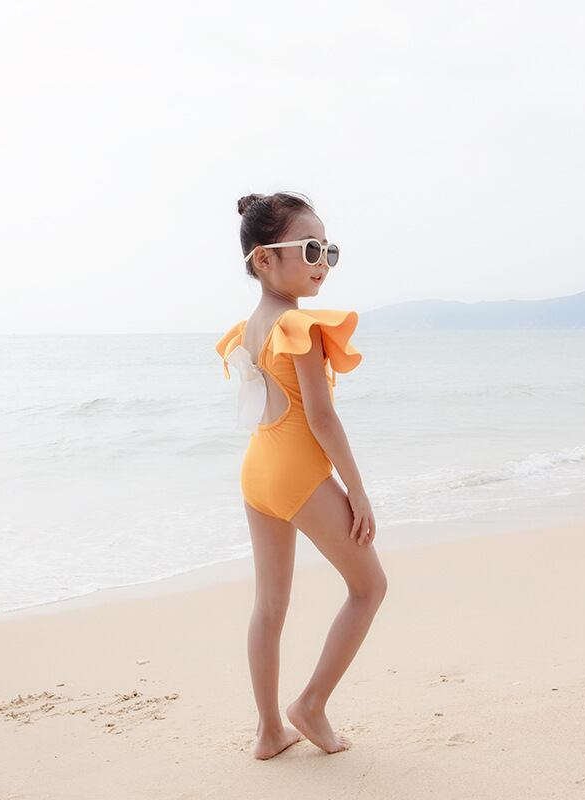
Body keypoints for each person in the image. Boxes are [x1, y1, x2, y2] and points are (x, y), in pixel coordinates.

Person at [215, 191, 387, 760]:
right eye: (311, 249)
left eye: (329, 251)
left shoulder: (249, 328)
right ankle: (310, 705)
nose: (323, 262)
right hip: (295, 474)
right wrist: (357, 490)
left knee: (269, 606)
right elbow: (322, 418)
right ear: (265, 259)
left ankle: (269, 731)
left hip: (257, 473)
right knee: (369, 587)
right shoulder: (300, 326)